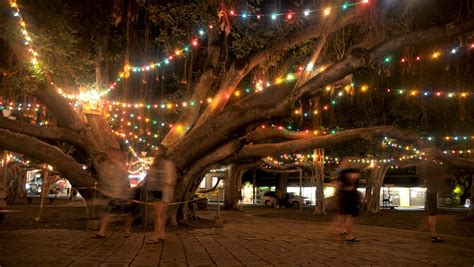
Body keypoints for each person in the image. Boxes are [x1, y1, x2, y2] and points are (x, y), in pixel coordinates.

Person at [91, 154, 133, 238]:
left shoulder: (114, 167)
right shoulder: (106, 167)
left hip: (118, 194)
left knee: (124, 214)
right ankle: (103, 231)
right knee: (113, 213)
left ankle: (104, 231)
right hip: (115, 194)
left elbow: (122, 180)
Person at [141, 144, 177, 244]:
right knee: (162, 214)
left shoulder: (162, 163)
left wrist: (164, 187)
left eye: (157, 150)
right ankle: (161, 233)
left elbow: (168, 179)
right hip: (162, 191)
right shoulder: (167, 163)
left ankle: (155, 236)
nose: (155, 151)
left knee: (157, 215)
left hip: (160, 190)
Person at [417, 156, 451, 243]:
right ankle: (434, 235)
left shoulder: (426, 167)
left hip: (432, 192)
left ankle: (434, 234)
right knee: (433, 213)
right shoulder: (428, 167)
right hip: (431, 192)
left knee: (433, 213)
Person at [336, 167, 362, 242]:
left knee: (345, 215)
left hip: (345, 195)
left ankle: (344, 231)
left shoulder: (342, 175)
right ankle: (349, 236)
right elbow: (352, 183)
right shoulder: (351, 174)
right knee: (350, 217)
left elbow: (339, 185)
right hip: (350, 195)